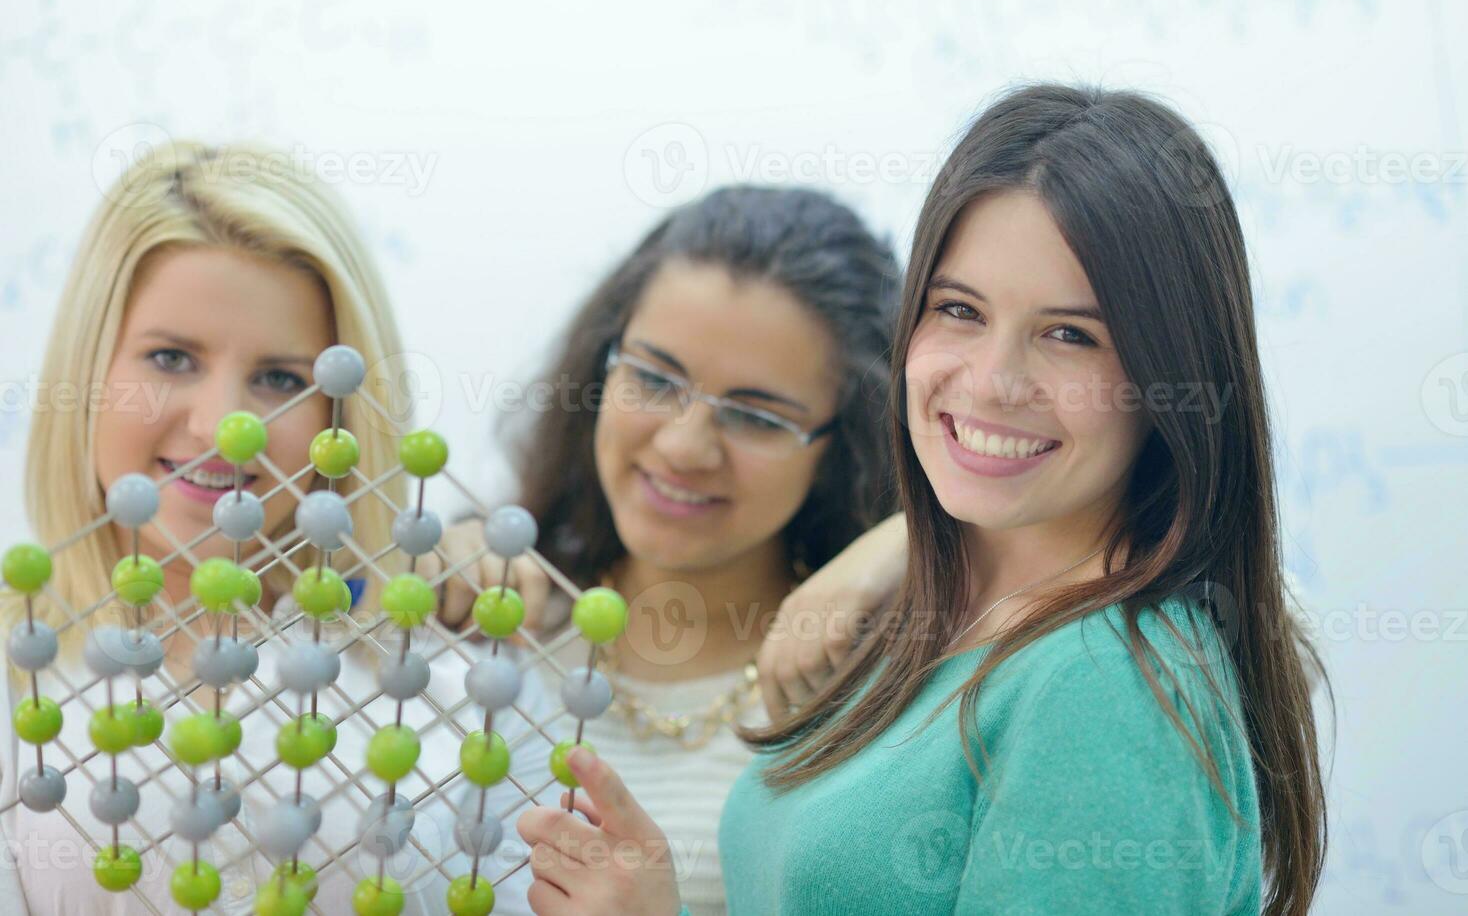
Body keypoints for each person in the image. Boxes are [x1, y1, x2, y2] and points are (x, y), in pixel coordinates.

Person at [515, 83, 1330, 915]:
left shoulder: (1103, 680)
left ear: (1173, 376)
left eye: (1070, 335)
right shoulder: (941, 619)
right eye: (959, 310)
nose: (991, 383)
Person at [0, 141, 546, 913]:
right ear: (87, 372)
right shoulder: (23, 675)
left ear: (342, 410)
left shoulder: (452, 685)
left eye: (282, 379)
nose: (226, 427)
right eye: (170, 358)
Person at [438, 185, 901, 915]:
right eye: (653, 378)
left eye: (754, 416)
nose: (684, 446)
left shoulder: (871, 700)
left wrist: (915, 539)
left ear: (842, 449)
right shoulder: (486, 614)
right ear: (601, 370)